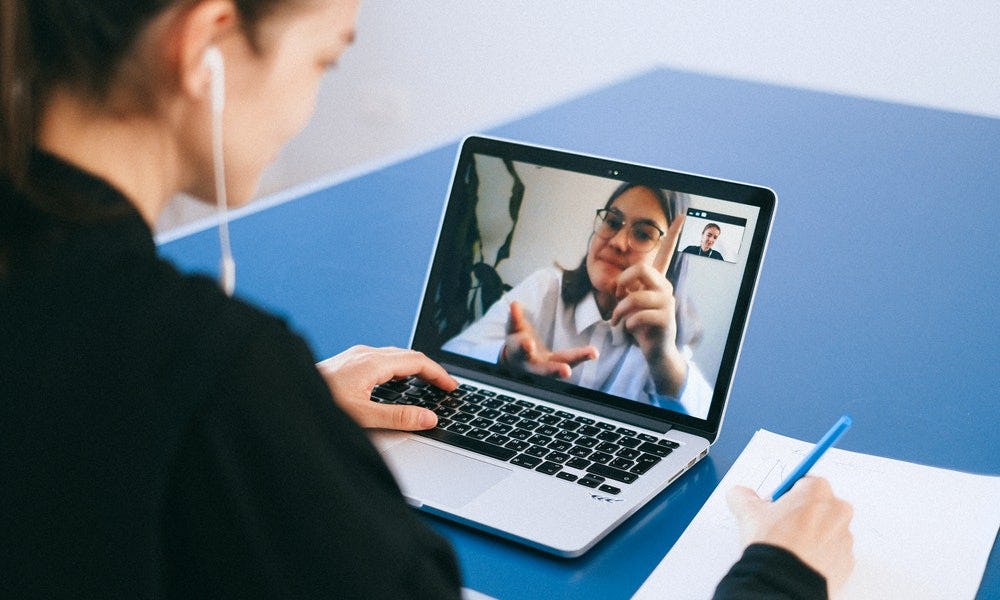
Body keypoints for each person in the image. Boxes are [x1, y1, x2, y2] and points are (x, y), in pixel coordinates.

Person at [0, 1, 853, 598]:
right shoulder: (220, 376)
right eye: (325, 58)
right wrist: (778, 574)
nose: (312, 101)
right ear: (206, 47)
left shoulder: (674, 327)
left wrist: (290, 409)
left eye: (642, 232)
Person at [444, 183, 715, 417]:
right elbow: (452, 354)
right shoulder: (546, 287)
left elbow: (702, 425)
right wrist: (505, 357)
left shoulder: (664, 338)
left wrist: (662, 356)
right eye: (612, 222)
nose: (619, 242)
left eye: (643, 234)